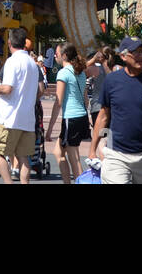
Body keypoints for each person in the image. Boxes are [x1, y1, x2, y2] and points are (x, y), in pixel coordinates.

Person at [90, 37, 142, 184]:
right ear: (123, 56)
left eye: (141, 51)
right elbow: (103, 117)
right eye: (134, 52)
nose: (140, 56)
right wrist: (93, 149)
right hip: (117, 155)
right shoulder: (111, 81)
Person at [0, 28, 41, 184]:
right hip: (27, 118)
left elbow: (7, 89)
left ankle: (8, 182)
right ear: (25, 43)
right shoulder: (32, 63)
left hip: (9, 117)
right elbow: (39, 90)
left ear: (9, 43)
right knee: (23, 158)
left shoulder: (12, 61)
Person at [50, 44, 89, 184]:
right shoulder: (80, 72)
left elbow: (58, 101)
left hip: (71, 118)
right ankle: (68, 182)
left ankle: (80, 182)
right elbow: (86, 100)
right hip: (81, 116)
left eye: (57, 53)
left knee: (74, 157)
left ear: (64, 55)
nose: (55, 56)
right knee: (58, 152)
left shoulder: (63, 73)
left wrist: (49, 129)